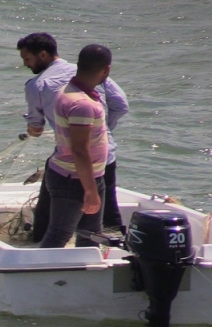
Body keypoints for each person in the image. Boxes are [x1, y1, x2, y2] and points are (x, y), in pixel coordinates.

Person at [16, 33, 128, 242]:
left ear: (42, 55)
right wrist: (103, 131)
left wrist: (92, 130)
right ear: (106, 70)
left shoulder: (40, 85)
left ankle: (41, 250)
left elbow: (38, 128)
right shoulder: (91, 82)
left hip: (76, 165)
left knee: (58, 226)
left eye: (27, 59)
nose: (25, 64)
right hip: (97, 162)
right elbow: (121, 105)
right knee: (104, 220)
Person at [38, 44, 112, 248]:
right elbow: (79, 150)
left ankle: (84, 279)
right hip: (74, 179)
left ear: (79, 65)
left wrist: (93, 185)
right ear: (106, 69)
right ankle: (38, 275)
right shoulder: (82, 104)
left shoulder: (70, 90)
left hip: (88, 176)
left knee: (91, 236)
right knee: (58, 236)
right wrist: (90, 190)